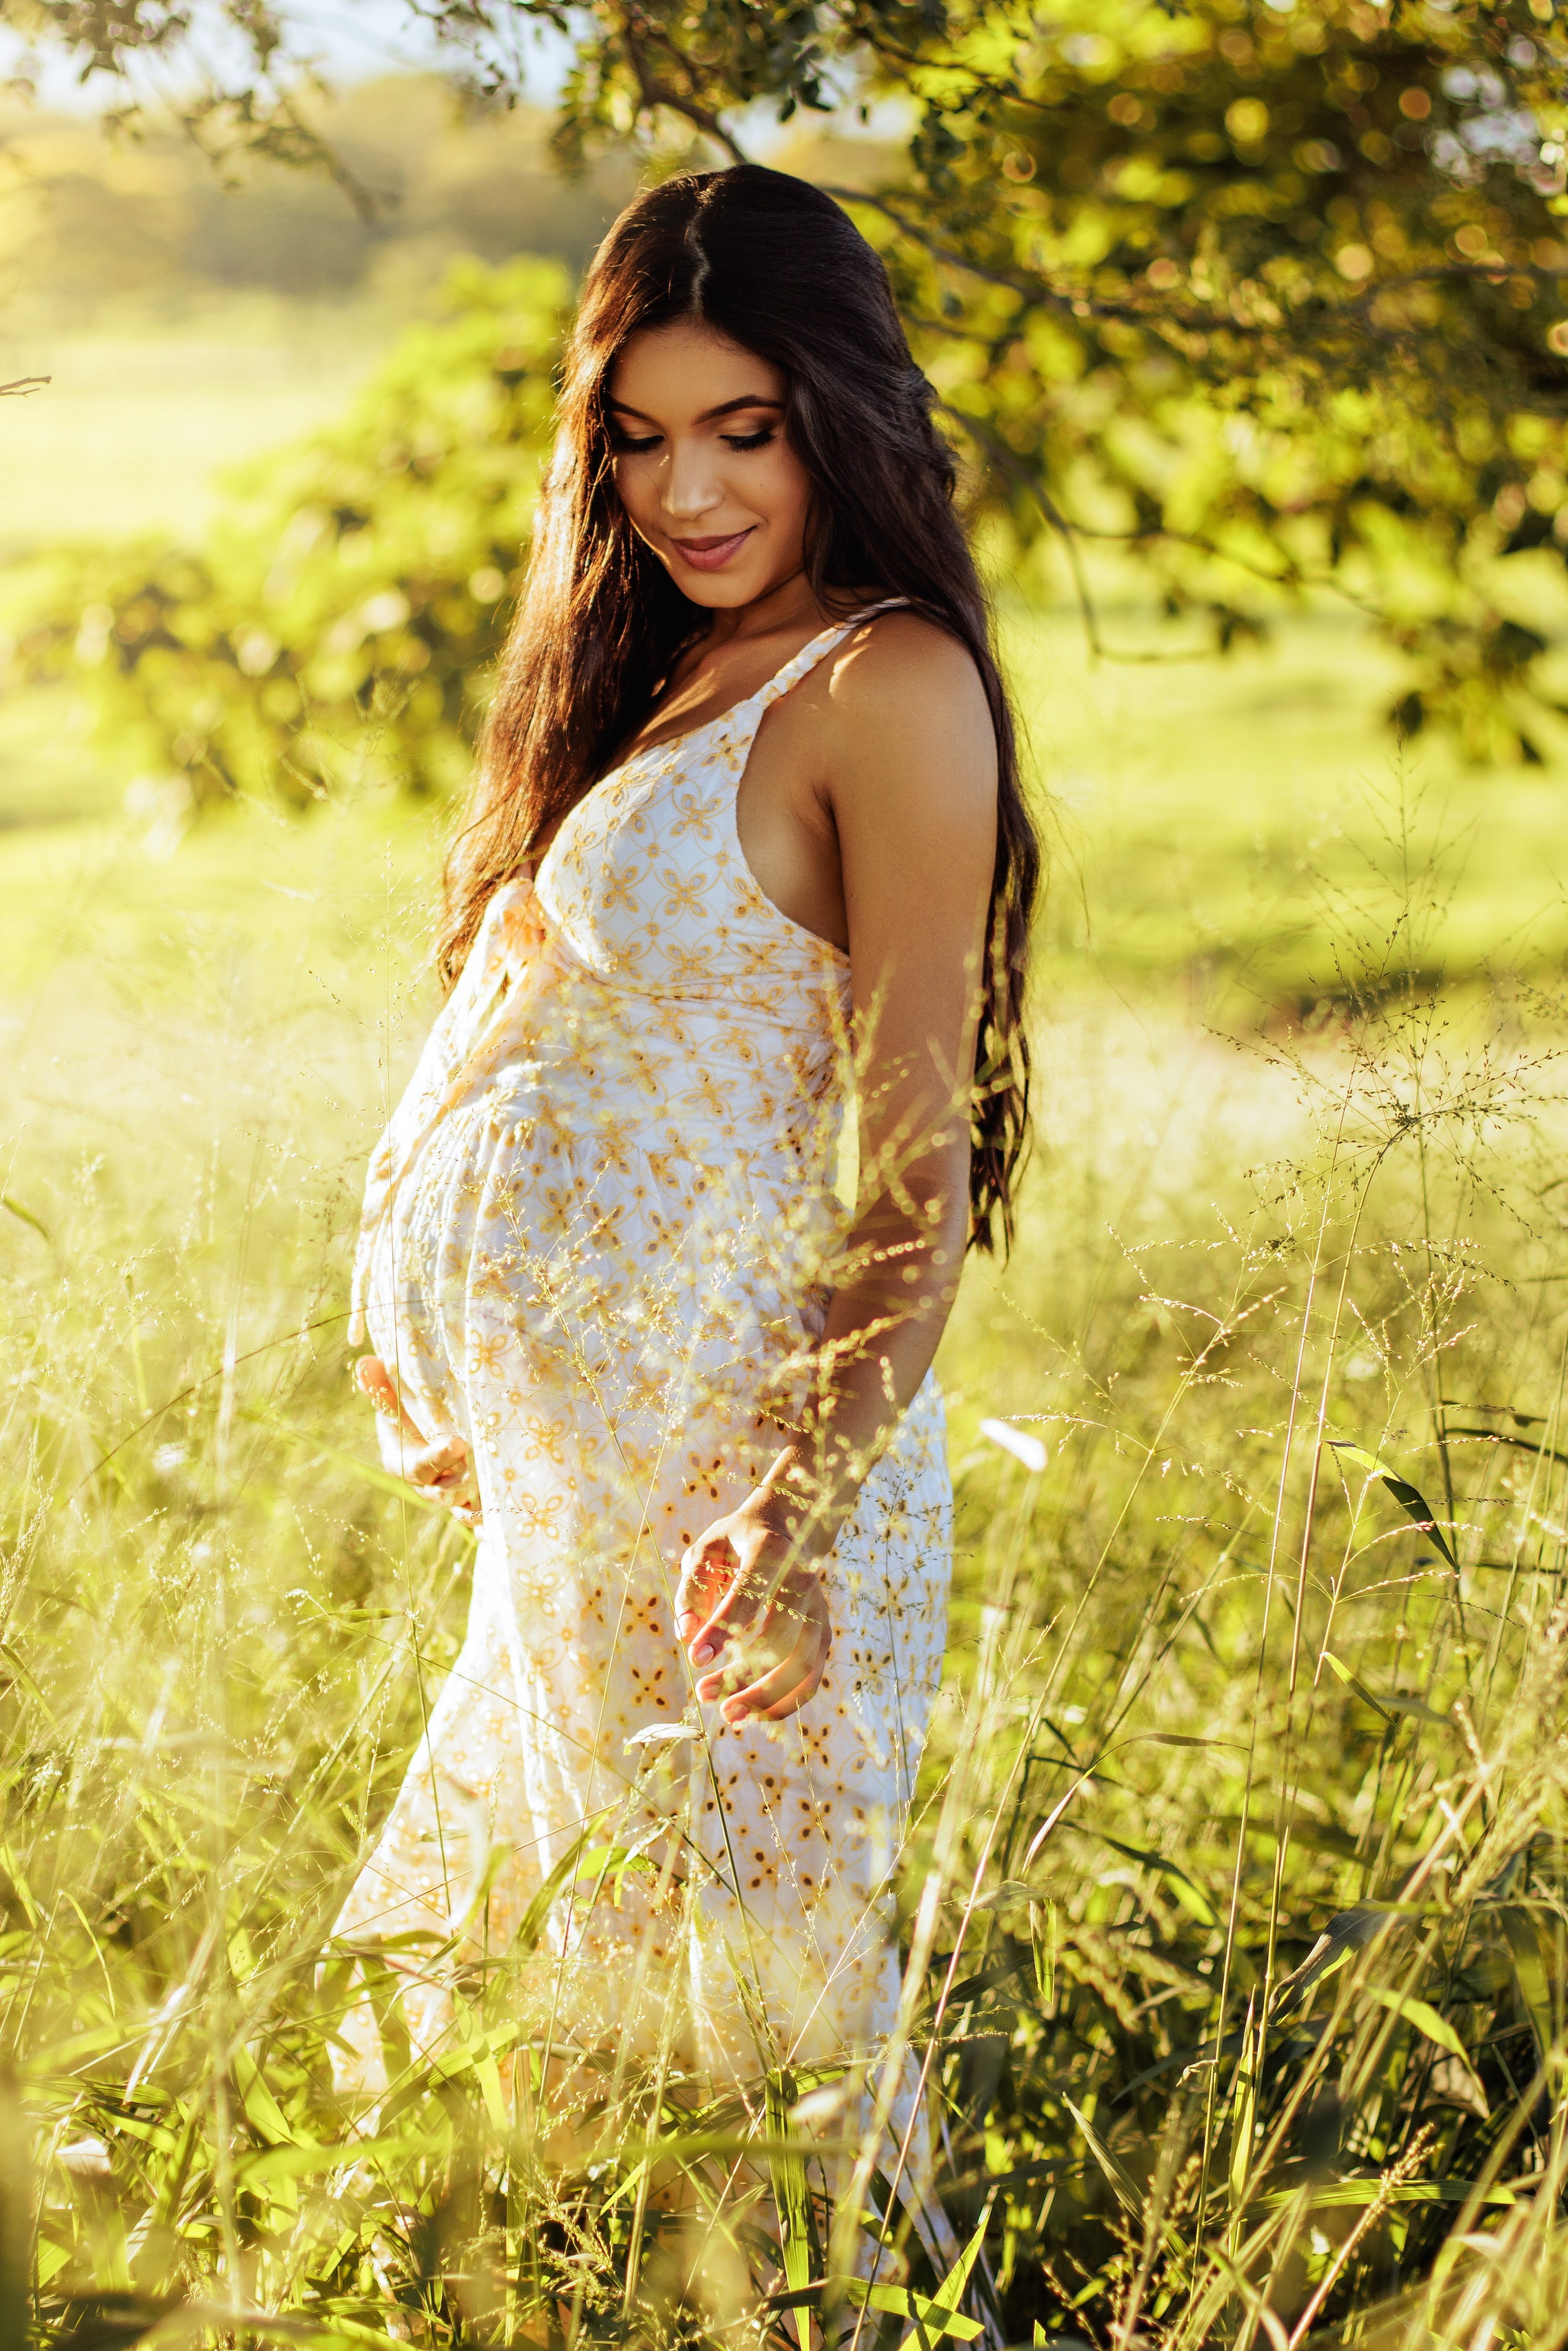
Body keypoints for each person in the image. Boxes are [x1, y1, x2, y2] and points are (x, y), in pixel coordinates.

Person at [330, 160, 1038, 2266]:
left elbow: (911, 1165)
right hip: (591, 1475)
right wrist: (422, 1287)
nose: (689, 487)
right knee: (538, 2020)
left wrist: (799, 1509)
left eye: (745, 427)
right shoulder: (675, 665)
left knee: (753, 2055)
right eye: (638, 435)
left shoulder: (884, 687)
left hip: (738, 1473)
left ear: (842, 410)